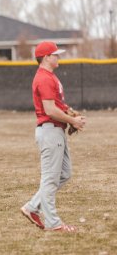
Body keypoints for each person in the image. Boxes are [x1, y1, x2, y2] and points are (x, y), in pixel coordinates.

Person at [21, 41, 86, 232]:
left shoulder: (49, 76)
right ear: (46, 57)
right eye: (55, 54)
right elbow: (49, 110)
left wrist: (69, 114)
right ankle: (53, 223)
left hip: (55, 130)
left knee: (65, 174)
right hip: (49, 130)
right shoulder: (44, 78)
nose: (58, 57)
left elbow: (56, 105)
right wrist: (72, 121)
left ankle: (32, 207)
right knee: (50, 179)